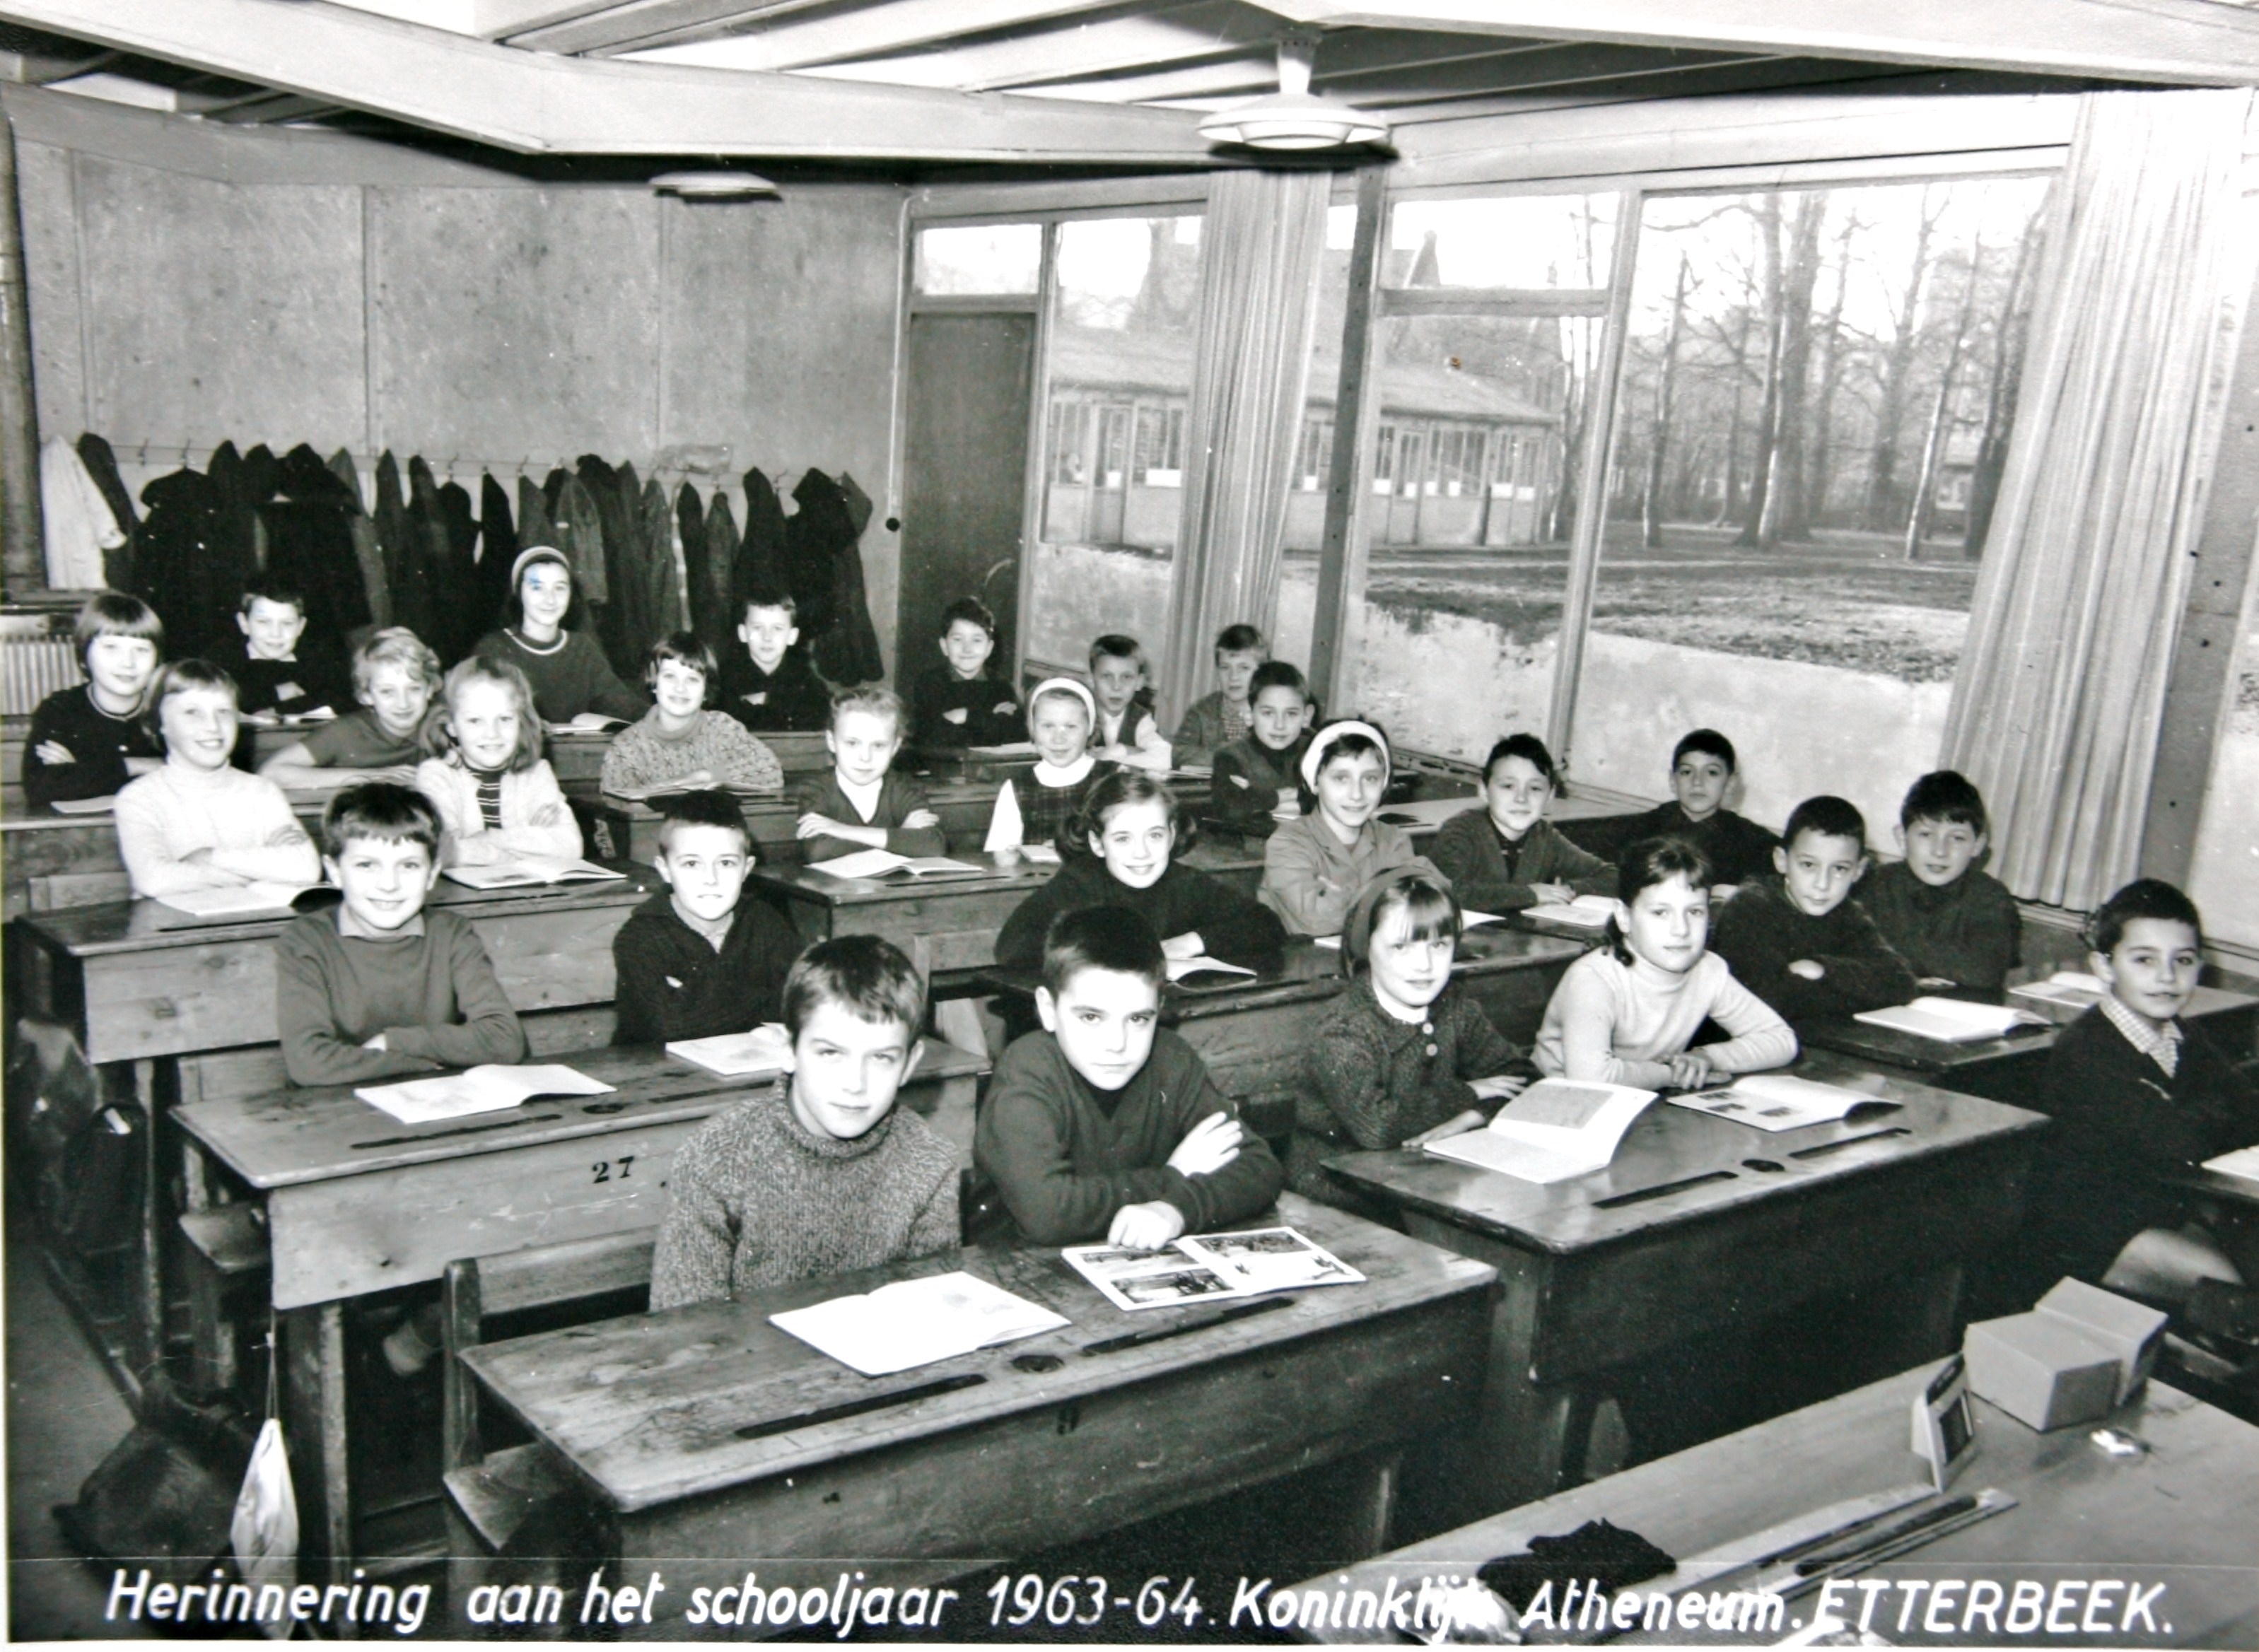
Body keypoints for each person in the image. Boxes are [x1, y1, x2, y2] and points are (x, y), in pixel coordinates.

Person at [649, 935, 959, 1308]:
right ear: (788, 1050)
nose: (855, 1084)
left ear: (910, 1064)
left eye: (881, 1058)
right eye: (830, 1053)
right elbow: (686, 1327)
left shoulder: (930, 1160)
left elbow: (930, 1317)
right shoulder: (717, 1156)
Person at [975, 906, 1283, 1247]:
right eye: (1092, 1018)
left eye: (1138, 1019)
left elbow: (1260, 1169)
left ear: (1159, 1008)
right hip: (1022, 1275)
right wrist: (1173, 1177)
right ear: (1048, 1010)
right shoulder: (1027, 1068)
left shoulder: (1172, 1058)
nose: (1117, 1044)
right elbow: (1048, 1214)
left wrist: (1175, 1210)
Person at [2037, 881, 2259, 1333]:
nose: (2167, 977)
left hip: (2173, 1208)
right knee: (2241, 1297)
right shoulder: (2087, 1050)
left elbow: (2244, 1113)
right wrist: (2214, 1114)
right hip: (2097, 1229)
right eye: (2144, 960)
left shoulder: (2180, 1035)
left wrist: (2204, 1114)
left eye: (2183, 960)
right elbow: (2182, 1141)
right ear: (2104, 965)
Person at [1292, 869, 1534, 1207]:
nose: (1424, 965)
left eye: (1439, 945)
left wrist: (1473, 1116)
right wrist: (1470, 1093)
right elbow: (1376, 1127)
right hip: (1341, 1199)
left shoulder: (1455, 1008)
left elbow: (1524, 1077)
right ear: (1366, 947)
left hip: (1426, 1182)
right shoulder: (1341, 1029)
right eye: (1401, 947)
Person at [275, 782, 527, 1086]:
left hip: (437, 1103)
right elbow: (309, 1063)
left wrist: (391, 1042)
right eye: (367, 865)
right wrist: (419, 1063)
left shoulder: (451, 933)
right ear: (335, 872)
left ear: (432, 873)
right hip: (341, 1113)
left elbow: (505, 1040)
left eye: (408, 866)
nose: (389, 885)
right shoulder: (307, 940)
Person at [1534, 836, 1797, 1089]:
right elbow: (1590, 1080)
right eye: (1661, 913)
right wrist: (1673, 1073)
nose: (1681, 929)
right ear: (1624, 917)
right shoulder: (1593, 977)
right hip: (1556, 1108)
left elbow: (1781, 1040)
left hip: (1641, 1096)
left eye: (1694, 912)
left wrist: (1706, 1059)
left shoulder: (1708, 969)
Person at [993, 769, 1285, 971]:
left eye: (1155, 835)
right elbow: (1013, 948)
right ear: (1097, 843)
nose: (1142, 852)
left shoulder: (1184, 882)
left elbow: (1265, 924)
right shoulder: (1080, 883)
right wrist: (1119, 954)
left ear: (1172, 835)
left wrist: (1188, 944)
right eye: (1123, 838)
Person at [114, 660, 321, 898]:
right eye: (192, 712)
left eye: (223, 711)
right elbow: (154, 881)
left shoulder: (261, 791)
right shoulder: (139, 798)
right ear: (160, 725)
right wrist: (263, 871)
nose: (212, 726)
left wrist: (209, 857)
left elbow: (305, 868)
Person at [611, 789, 800, 1046]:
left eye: (726, 863)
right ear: (665, 870)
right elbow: (670, 1025)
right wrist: (761, 996)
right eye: (692, 864)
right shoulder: (640, 937)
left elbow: (801, 1005)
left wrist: (694, 998)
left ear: (747, 869)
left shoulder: (765, 922)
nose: (711, 879)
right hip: (655, 1074)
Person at [1709, 795, 1917, 1023]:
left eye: (1839, 869)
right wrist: (1859, 991)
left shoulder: (1848, 913)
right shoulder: (1750, 908)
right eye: (1809, 865)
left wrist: (1823, 968)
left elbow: (1901, 983)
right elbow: (1772, 1002)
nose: (1822, 884)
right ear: (1781, 860)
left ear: (1858, 871)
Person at [1260, 718, 1441, 936]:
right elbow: (1317, 920)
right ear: (1315, 783)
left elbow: (1435, 899)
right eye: (1341, 778)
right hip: (1303, 964)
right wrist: (1388, 898)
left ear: (1384, 784)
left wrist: (1341, 897)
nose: (1357, 794)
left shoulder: (1392, 840)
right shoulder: (1288, 843)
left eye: (1370, 779)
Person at [1857, 770, 2022, 997]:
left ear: (1978, 845)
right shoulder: (1871, 884)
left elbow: (1984, 972)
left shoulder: (1990, 896)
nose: (1940, 851)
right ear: (1902, 838)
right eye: (1926, 834)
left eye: (1957, 838)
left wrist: (1890, 949)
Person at [414, 655, 583, 867]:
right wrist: (528, 842)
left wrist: (489, 837)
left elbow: (571, 846)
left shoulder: (537, 773)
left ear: (521, 722)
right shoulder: (436, 774)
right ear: (451, 726)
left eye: (504, 719)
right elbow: (444, 851)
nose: (492, 734)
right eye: (475, 720)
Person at [1430, 734, 1612, 913]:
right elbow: (1451, 892)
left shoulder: (1544, 837)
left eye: (1535, 788)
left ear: (1550, 796)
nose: (1521, 798)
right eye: (1508, 786)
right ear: (1484, 791)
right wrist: (1530, 894)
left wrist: (1570, 890)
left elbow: (1611, 875)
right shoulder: (1460, 831)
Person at [472, 546, 648, 727]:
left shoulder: (582, 648)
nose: (550, 599)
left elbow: (620, 702)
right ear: (518, 593)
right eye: (537, 588)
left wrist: (660, 716)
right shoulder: (493, 648)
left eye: (560, 588)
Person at [22, 590, 165, 808]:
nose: (128, 662)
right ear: (84, 653)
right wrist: (138, 766)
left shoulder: (169, 708)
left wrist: (82, 772)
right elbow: (40, 785)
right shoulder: (60, 710)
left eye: (142, 650)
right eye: (111, 647)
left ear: (157, 658)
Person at [600, 633, 784, 796]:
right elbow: (611, 820)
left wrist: (706, 776)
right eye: (670, 676)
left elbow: (771, 770)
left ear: (706, 690)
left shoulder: (722, 728)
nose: (680, 688)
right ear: (654, 683)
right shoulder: (626, 748)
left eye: (692, 680)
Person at [259, 627, 440, 790]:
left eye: (414, 689)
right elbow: (271, 773)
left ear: (430, 689)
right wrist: (370, 776)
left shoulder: (440, 726)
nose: (403, 703)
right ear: (366, 696)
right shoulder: (345, 731)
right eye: (387, 692)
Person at [795, 687, 946, 863]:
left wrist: (841, 830)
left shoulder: (904, 787)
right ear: (832, 742)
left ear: (895, 747)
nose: (865, 757)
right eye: (852, 743)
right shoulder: (816, 788)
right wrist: (901, 837)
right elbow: (820, 851)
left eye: (879, 745)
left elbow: (933, 845)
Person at [1619, 729, 1779, 893]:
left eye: (1712, 773)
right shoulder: (1642, 828)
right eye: (1687, 772)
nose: (1697, 782)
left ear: (1731, 782)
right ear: (1673, 780)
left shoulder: (1755, 843)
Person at [982, 677, 1116, 857]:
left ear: (1090, 728)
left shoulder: (1112, 779)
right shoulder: (1017, 788)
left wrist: (1071, 848)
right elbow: (999, 855)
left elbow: (1127, 842)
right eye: (1047, 726)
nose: (1058, 738)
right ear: (1032, 729)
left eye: (1070, 727)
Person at [1208, 660, 1314, 840]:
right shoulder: (1230, 756)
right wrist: (1277, 798)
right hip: (1249, 850)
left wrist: (1255, 797)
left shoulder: (1315, 750)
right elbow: (1230, 809)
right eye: (1268, 713)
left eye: (1291, 714)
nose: (1280, 725)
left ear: (1306, 716)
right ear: (1249, 715)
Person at [223, 576, 350, 722]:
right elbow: (223, 697)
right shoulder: (227, 659)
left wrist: (277, 710)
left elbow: (338, 699)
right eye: (264, 622)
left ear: (301, 627)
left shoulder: (317, 662)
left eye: (287, 623)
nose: (276, 633)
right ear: (244, 623)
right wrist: (276, 693)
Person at [909, 595, 1022, 749]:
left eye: (976, 640)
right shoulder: (929, 683)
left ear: (989, 648)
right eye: (958, 640)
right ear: (944, 646)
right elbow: (933, 736)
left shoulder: (1001, 687)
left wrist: (965, 716)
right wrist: (990, 719)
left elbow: (1014, 736)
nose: (967, 649)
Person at [722, 585, 833, 734]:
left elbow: (819, 719)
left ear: (792, 636)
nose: (767, 637)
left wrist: (768, 700)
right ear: (743, 633)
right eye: (757, 627)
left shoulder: (805, 678)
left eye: (777, 629)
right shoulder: (726, 678)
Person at [1172, 623, 1267, 770]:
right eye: (1225, 668)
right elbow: (1178, 752)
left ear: (1261, 672)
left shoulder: (1271, 711)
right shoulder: (1201, 711)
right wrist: (1231, 758)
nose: (1233, 677)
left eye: (1244, 668)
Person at [1088, 633, 1172, 773]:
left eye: (1126, 677)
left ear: (1139, 682)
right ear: (1091, 681)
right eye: (1107, 676)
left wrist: (1119, 752)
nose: (1116, 687)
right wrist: (1136, 752)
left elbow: (1163, 758)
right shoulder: (1081, 712)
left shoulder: (1140, 718)